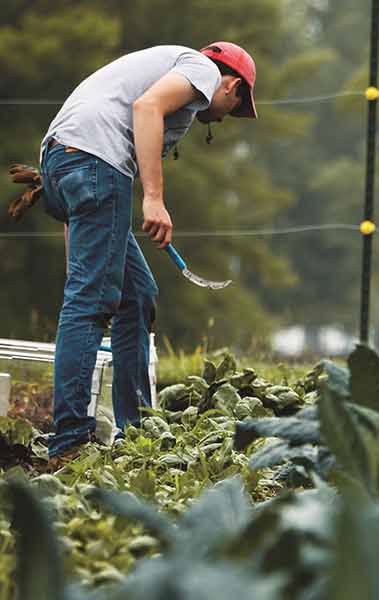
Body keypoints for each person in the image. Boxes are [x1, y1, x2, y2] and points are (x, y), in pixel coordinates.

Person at [36, 42, 259, 470]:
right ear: (233, 86)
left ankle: (135, 431)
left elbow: (85, 141)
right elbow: (147, 108)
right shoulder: (203, 70)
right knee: (90, 303)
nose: (218, 118)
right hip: (97, 165)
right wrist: (154, 199)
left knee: (136, 293)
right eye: (230, 110)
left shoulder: (157, 63)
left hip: (61, 161)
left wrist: (79, 254)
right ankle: (68, 444)